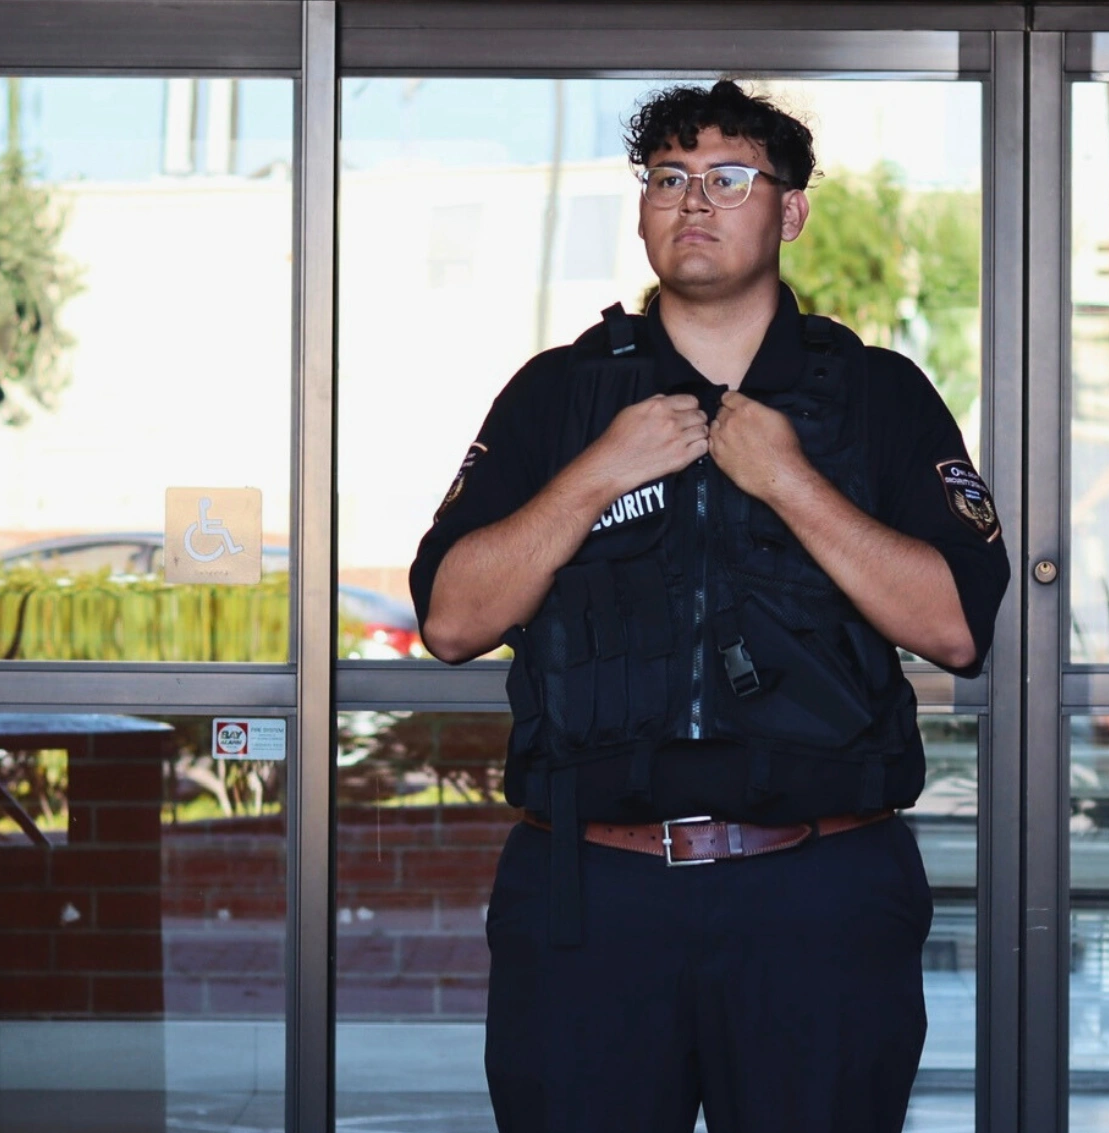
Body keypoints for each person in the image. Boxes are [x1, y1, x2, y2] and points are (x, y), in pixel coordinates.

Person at [408, 81, 1010, 1133]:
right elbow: (453, 618)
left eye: (729, 178)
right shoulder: (560, 396)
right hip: (591, 894)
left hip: (817, 890)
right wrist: (598, 471)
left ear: (788, 211)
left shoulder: (875, 394)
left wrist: (788, 482)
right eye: (668, 179)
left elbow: (956, 625)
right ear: (642, 208)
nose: (694, 200)